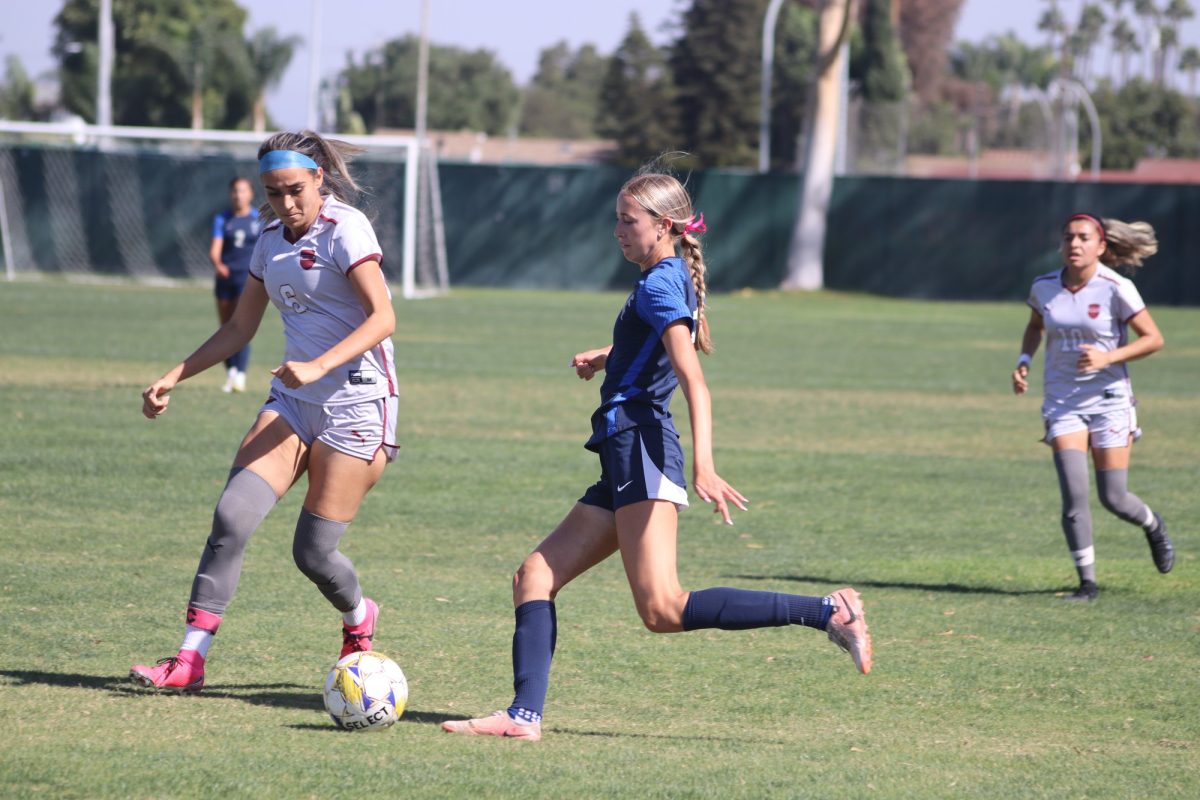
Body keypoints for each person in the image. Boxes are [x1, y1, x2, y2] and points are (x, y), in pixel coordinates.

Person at [442, 170, 871, 742]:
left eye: (629, 220)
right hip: (624, 451)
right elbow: (660, 344)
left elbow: (694, 379)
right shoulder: (666, 277)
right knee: (534, 575)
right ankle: (523, 716)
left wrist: (705, 463)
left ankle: (828, 612)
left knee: (663, 609)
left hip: (641, 445)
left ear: (664, 225)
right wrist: (608, 355)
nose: (617, 230)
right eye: (617, 217)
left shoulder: (658, 285)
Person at [131, 130, 399, 692]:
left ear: (319, 179)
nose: (287, 203)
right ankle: (188, 661)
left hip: (358, 404)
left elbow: (382, 319)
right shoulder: (270, 238)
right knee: (231, 517)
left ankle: (358, 616)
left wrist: (319, 363)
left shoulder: (346, 229)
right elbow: (238, 328)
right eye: (275, 193)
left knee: (313, 552)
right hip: (294, 403)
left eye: (296, 190)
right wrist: (172, 376)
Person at [1012, 213, 1174, 602]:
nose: (1074, 244)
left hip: (1109, 402)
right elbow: (1036, 326)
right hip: (1063, 402)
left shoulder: (1117, 288)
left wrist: (1108, 358)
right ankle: (1087, 584)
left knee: (1113, 497)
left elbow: (1153, 339)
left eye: (1083, 238)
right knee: (1073, 497)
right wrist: (1024, 360)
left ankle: (1154, 525)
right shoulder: (1044, 287)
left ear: (1101, 246)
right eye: (1068, 237)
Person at [209, 177, 261, 393]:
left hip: (246, 279)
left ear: (250, 194)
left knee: (240, 325)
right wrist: (218, 264)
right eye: (235, 191)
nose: (238, 195)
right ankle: (231, 370)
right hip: (225, 279)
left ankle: (240, 373)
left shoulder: (259, 218)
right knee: (226, 327)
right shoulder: (223, 219)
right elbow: (215, 249)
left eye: (242, 191)